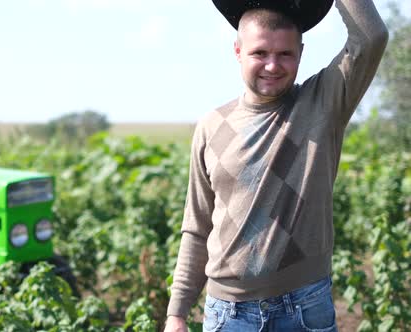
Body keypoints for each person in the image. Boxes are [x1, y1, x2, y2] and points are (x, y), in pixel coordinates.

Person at [164, 0, 388, 331]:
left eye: (285, 54)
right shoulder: (211, 127)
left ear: (300, 53)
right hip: (228, 315)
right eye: (260, 53)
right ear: (238, 51)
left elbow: (371, 36)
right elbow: (197, 227)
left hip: (304, 308)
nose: (272, 65)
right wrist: (177, 313)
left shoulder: (321, 105)